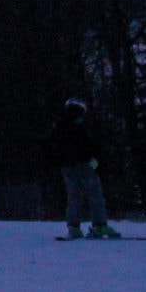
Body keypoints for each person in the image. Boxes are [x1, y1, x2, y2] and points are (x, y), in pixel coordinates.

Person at [43, 97, 119, 239]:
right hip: (84, 165)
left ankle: (73, 227)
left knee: (74, 196)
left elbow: (50, 147)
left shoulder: (58, 127)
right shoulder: (78, 128)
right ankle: (100, 225)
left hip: (67, 167)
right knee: (95, 194)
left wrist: (59, 163)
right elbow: (89, 149)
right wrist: (96, 166)